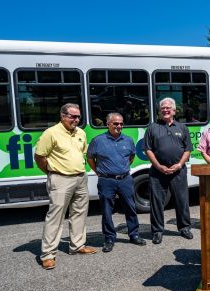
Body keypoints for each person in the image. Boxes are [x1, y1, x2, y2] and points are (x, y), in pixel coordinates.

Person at [34, 103, 97, 270]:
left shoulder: (81, 133)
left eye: (78, 117)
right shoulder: (51, 133)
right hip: (60, 179)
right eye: (72, 116)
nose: (76, 120)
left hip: (80, 178)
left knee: (79, 213)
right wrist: (51, 171)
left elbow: (83, 153)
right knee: (55, 217)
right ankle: (48, 255)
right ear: (62, 116)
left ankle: (77, 246)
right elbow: (40, 156)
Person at [87, 113, 146, 253]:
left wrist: (122, 170)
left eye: (121, 123)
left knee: (130, 208)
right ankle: (109, 238)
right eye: (115, 123)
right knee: (107, 211)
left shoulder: (128, 140)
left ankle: (134, 234)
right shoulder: (98, 141)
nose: (119, 126)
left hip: (125, 179)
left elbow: (130, 157)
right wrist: (99, 172)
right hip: (106, 180)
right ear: (108, 124)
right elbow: (90, 158)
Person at [144, 97, 193, 244]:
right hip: (158, 172)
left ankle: (184, 227)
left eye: (168, 108)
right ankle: (158, 231)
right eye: (162, 108)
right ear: (160, 111)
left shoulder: (182, 127)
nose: (165, 110)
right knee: (157, 202)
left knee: (182, 200)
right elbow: (147, 149)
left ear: (174, 111)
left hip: (178, 171)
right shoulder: (152, 127)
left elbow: (188, 149)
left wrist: (179, 165)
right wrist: (159, 166)